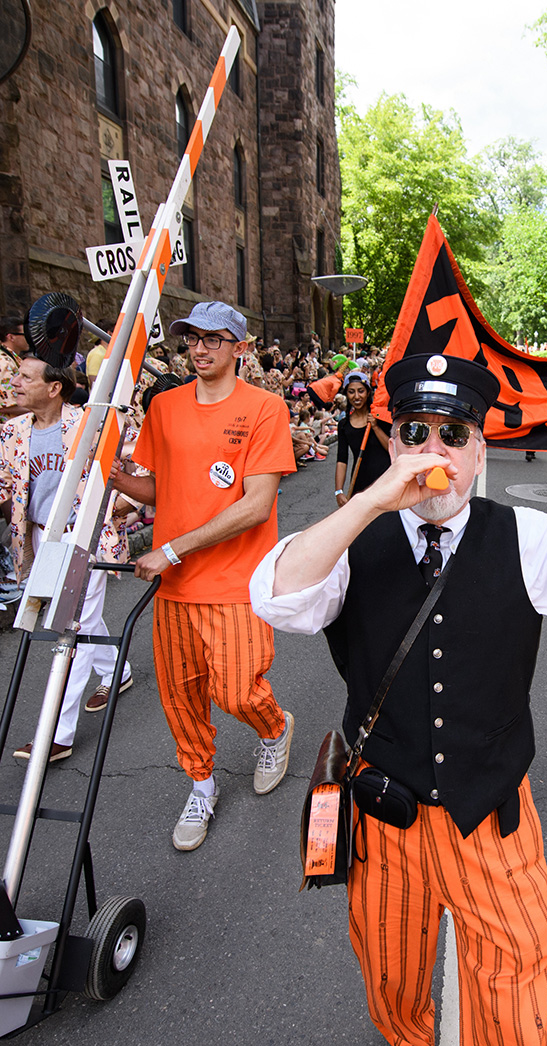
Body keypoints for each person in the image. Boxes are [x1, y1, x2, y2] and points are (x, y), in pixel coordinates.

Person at [250, 353, 547, 1046]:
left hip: (494, 820)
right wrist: (369, 501)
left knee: (516, 1004)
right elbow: (276, 597)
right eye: (414, 432)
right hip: (386, 820)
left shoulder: (524, 536)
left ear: (479, 453)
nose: (434, 451)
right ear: (392, 445)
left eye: (454, 434)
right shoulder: (354, 537)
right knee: (392, 990)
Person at [111, 301, 296, 852]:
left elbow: (256, 505)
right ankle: (201, 784)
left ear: (239, 347)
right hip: (175, 588)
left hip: (236, 581)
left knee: (236, 691)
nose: (199, 348)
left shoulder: (265, 408)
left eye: (214, 339)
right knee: (181, 697)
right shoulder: (164, 406)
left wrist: (170, 549)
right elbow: (162, 487)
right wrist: (114, 478)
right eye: (192, 338)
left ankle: (275, 729)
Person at [0, 354, 133, 761]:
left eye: (26, 377)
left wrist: (119, 507)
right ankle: (117, 669)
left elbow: (135, 460)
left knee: (71, 625)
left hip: (85, 534)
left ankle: (56, 733)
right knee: (84, 616)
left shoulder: (90, 423)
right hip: (42, 537)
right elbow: (7, 488)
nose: (15, 382)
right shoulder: (12, 431)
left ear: (54, 387)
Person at [334, 371, 390, 507]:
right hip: (360, 483)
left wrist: (375, 427)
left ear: (368, 392)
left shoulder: (381, 418)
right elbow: (342, 460)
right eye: (351, 392)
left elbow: (392, 449)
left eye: (361, 391)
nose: (356, 396)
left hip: (386, 481)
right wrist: (338, 491)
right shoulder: (344, 425)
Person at [0, 315, 29, 424]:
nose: (28, 338)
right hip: (8, 428)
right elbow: (6, 404)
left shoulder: (10, 359)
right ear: (11, 337)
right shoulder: (4, 363)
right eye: (25, 335)